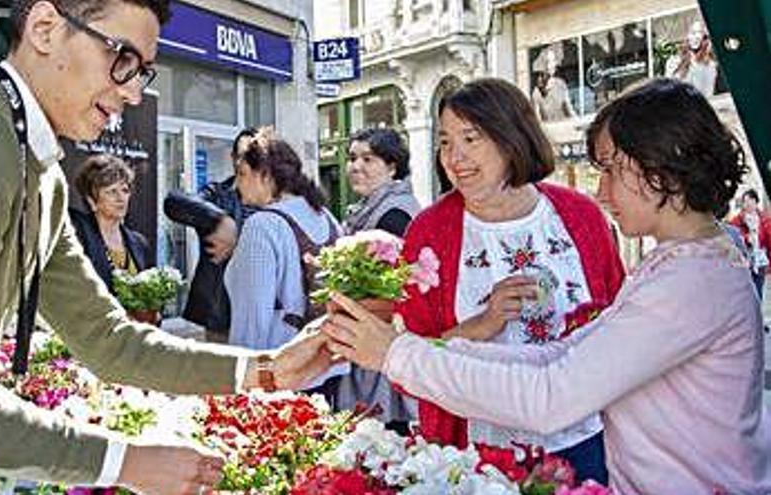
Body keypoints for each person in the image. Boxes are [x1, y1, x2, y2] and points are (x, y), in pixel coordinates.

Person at [0, 1, 334, 494]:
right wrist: (123, 463)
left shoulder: (40, 172)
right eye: (122, 59)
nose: (133, 92)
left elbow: (108, 339)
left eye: (143, 72)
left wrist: (264, 370)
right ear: (44, 28)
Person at [323, 78, 771, 494]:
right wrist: (413, 348)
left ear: (663, 167)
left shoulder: (690, 281)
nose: (602, 190)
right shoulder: (681, 261)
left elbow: (554, 394)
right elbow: (565, 353)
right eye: (445, 142)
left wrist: (396, 353)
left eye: (612, 169)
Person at [355, 79, 625, 482]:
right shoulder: (429, 233)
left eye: (470, 138)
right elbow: (407, 362)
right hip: (476, 457)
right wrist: (482, 324)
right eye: (445, 141)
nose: (454, 157)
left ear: (512, 137)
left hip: (584, 444)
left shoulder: (580, 215)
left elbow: (621, 328)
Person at [225, 129, 347, 403]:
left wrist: (241, 385)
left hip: (279, 376)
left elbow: (251, 319)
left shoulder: (262, 226)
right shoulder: (326, 217)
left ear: (266, 175)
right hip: (327, 365)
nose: (237, 185)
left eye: (242, 174)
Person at [336, 128, 421, 433]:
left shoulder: (394, 214)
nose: (356, 166)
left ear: (392, 167)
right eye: (352, 158)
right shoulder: (371, 209)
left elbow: (390, 294)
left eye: (368, 159)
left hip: (383, 348)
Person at [181, 128, 258, 342]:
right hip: (221, 311)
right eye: (242, 155)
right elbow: (175, 202)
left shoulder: (274, 197)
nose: (247, 162)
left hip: (262, 312)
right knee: (223, 373)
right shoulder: (217, 194)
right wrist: (219, 219)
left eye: (254, 155)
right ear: (233, 158)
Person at [70, 154, 151, 292]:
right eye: (111, 191)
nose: (120, 198)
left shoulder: (139, 243)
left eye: (125, 190)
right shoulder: (77, 234)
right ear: (91, 200)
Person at [730, 188, 771, 300]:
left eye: (750, 200)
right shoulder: (737, 220)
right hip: (745, 262)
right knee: (746, 294)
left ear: (756, 202)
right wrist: (746, 238)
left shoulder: (764, 219)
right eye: (745, 201)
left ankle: (757, 315)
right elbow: (733, 238)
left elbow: (769, 241)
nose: (747, 204)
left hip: (760, 260)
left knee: (758, 292)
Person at [665, 19, 718, 97]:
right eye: (693, 33)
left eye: (699, 33)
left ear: (705, 38)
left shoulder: (710, 66)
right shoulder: (674, 61)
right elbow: (668, 88)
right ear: (687, 36)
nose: (696, 37)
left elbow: (708, 93)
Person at [531, 46, 576, 121]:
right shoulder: (536, 93)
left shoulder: (561, 84)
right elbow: (537, 121)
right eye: (549, 61)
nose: (553, 64)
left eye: (553, 61)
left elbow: (569, 110)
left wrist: (577, 121)